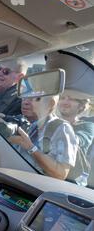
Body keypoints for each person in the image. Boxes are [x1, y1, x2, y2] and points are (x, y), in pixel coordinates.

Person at [47, 51, 94, 186]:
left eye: (72, 99)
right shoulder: (49, 121)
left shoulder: (86, 126)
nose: (65, 101)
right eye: (62, 97)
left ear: (81, 105)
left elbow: (78, 142)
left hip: (69, 180)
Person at [8, 94, 78, 181]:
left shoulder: (61, 128)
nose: (25, 102)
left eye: (34, 98)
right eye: (24, 97)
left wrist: (31, 148)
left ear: (50, 104)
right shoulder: (23, 122)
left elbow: (61, 174)